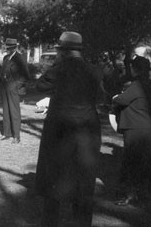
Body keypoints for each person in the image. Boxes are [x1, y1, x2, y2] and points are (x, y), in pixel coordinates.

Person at [35, 32, 101, 227]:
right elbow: (99, 96)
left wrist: (55, 65)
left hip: (61, 129)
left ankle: (50, 223)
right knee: (84, 180)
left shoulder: (59, 68)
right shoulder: (93, 70)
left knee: (54, 178)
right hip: (88, 129)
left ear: (62, 51)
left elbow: (40, 86)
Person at [113, 56, 151, 206]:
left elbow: (122, 100)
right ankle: (142, 195)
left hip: (135, 128)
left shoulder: (137, 85)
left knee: (131, 162)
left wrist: (115, 97)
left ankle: (130, 195)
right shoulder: (148, 84)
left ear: (135, 69)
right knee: (143, 163)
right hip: (147, 127)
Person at [0, 38, 29, 143]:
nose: (7, 49)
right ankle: (6, 133)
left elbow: (25, 76)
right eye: (7, 47)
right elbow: (2, 72)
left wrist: (16, 85)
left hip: (13, 88)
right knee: (6, 111)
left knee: (14, 112)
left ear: (14, 47)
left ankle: (16, 136)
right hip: (4, 87)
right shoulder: (6, 58)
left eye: (9, 47)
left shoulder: (20, 58)